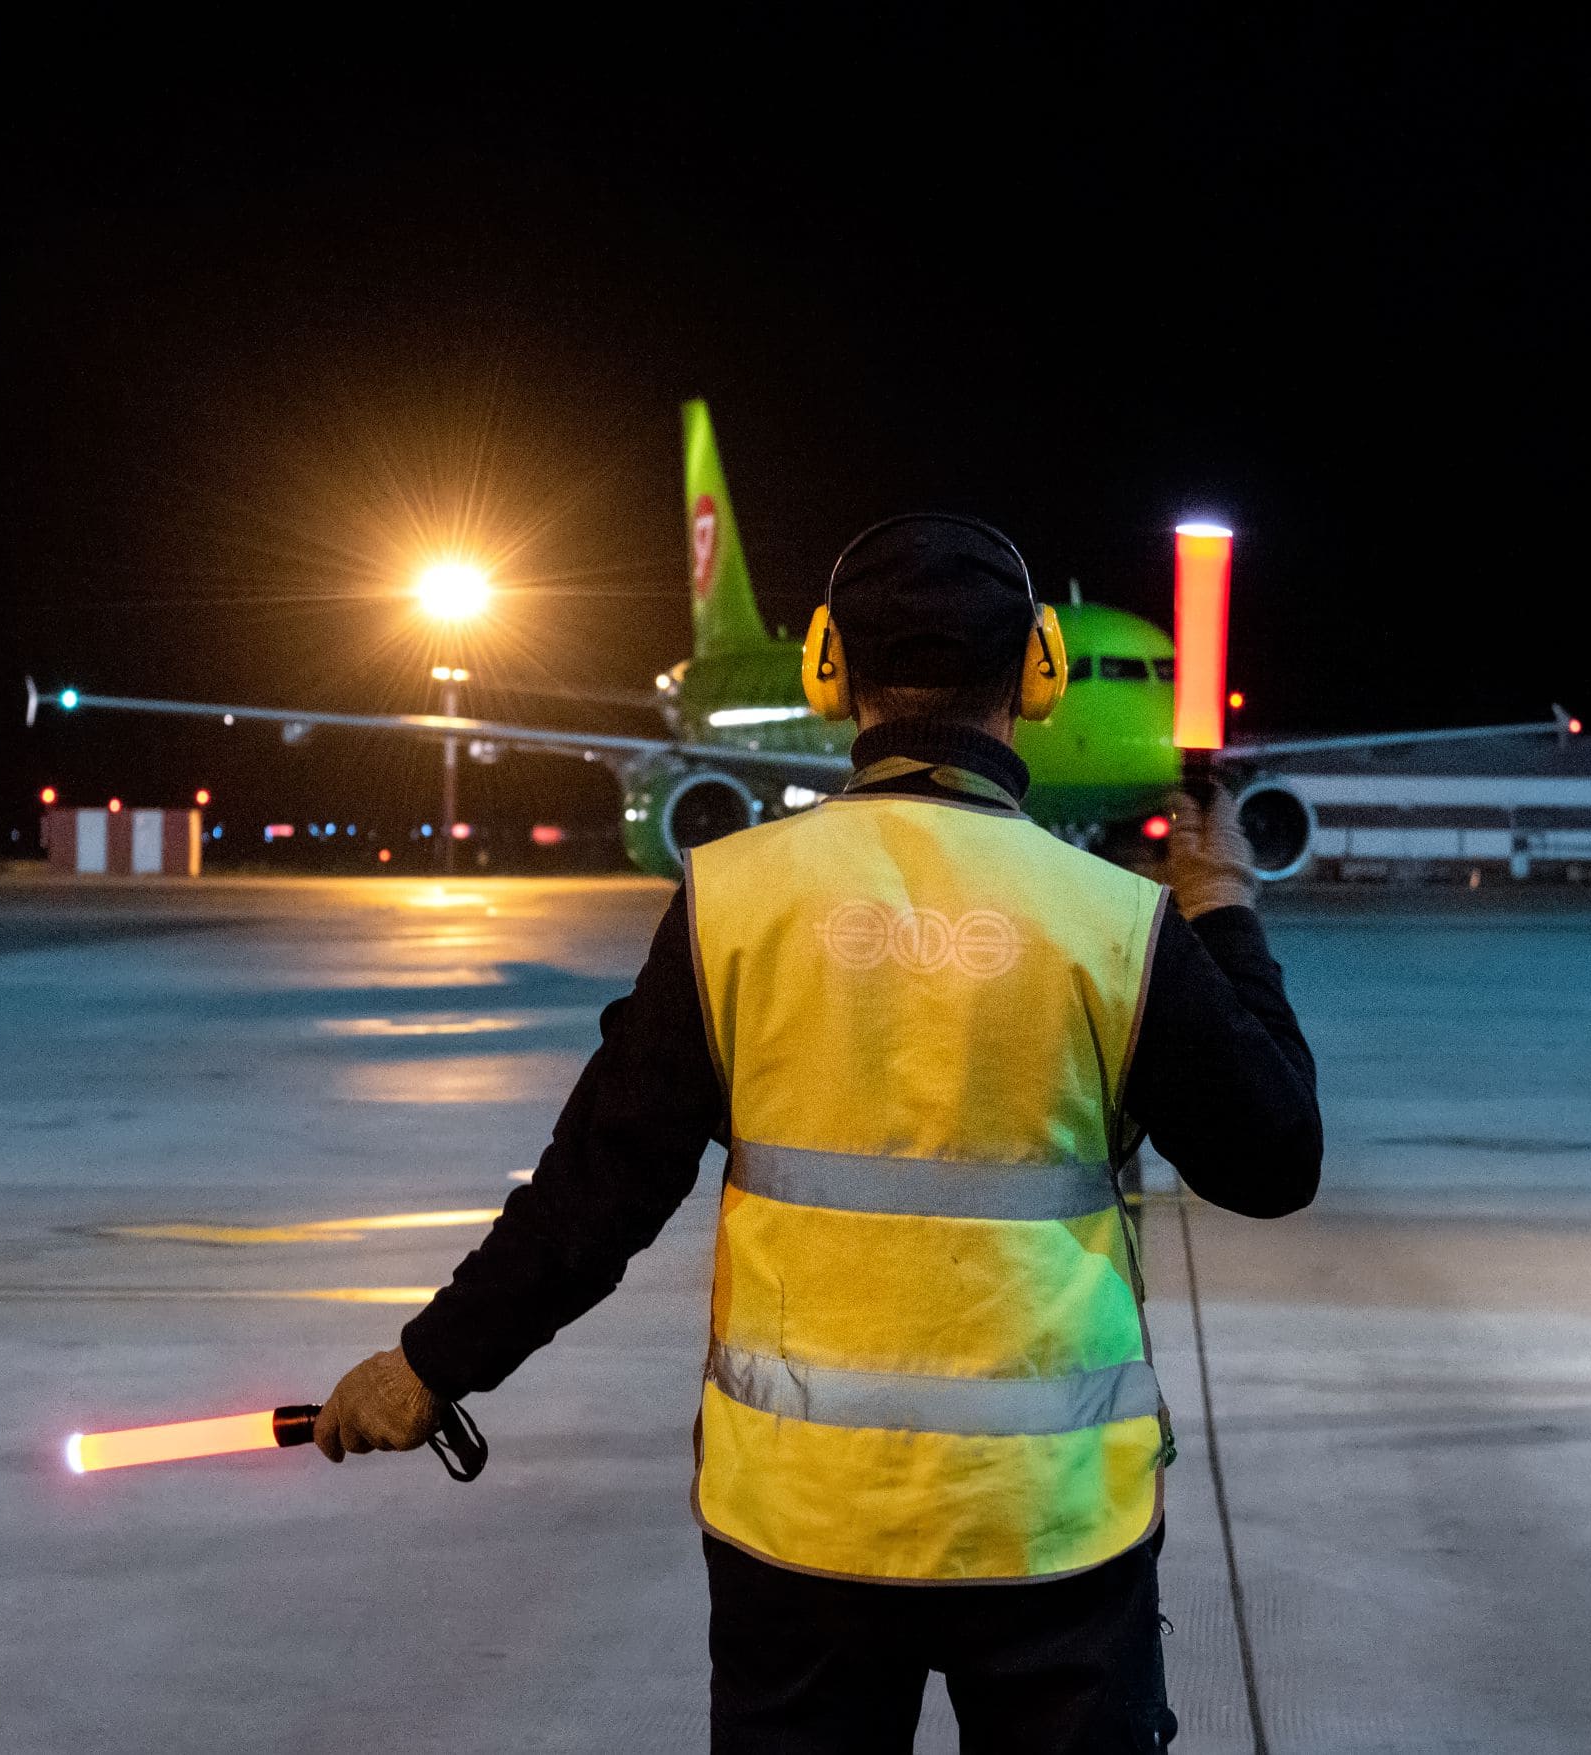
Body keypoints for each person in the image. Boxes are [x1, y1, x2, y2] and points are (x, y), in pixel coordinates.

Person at [308, 513, 1323, 1753]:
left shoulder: (731, 903)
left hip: (801, 1527)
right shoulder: (1113, 919)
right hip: (1047, 1524)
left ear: (828, 669)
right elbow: (1275, 1162)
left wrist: (430, 1364)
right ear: (1040, 671)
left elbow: (596, 1193)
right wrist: (1223, 912)